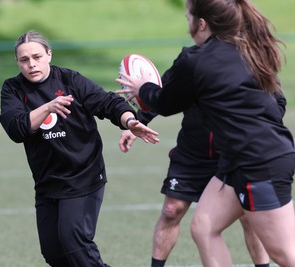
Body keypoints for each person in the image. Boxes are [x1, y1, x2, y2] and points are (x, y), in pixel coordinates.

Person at [116, 0, 295, 266]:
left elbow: (164, 102)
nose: (186, 20)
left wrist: (142, 88)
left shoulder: (197, 60)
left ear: (200, 23)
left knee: (285, 255)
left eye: (188, 15)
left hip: (259, 163)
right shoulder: (249, 48)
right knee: (203, 228)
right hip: (240, 160)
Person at [0, 30, 159, 267]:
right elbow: (16, 128)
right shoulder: (12, 89)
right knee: (54, 253)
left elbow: (107, 102)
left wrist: (130, 121)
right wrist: (48, 107)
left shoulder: (70, 80)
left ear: (48, 55)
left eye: (37, 57)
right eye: (24, 60)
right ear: (17, 62)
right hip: (47, 182)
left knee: (75, 242)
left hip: (84, 175)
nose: (32, 64)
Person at [119, 105, 272, 267]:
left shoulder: (248, 78)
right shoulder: (190, 77)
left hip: (232, 153)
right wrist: (138, 122)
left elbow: (273, 98)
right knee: (171, 210)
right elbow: (166, 93)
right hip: (191, 154)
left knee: (248, 215)